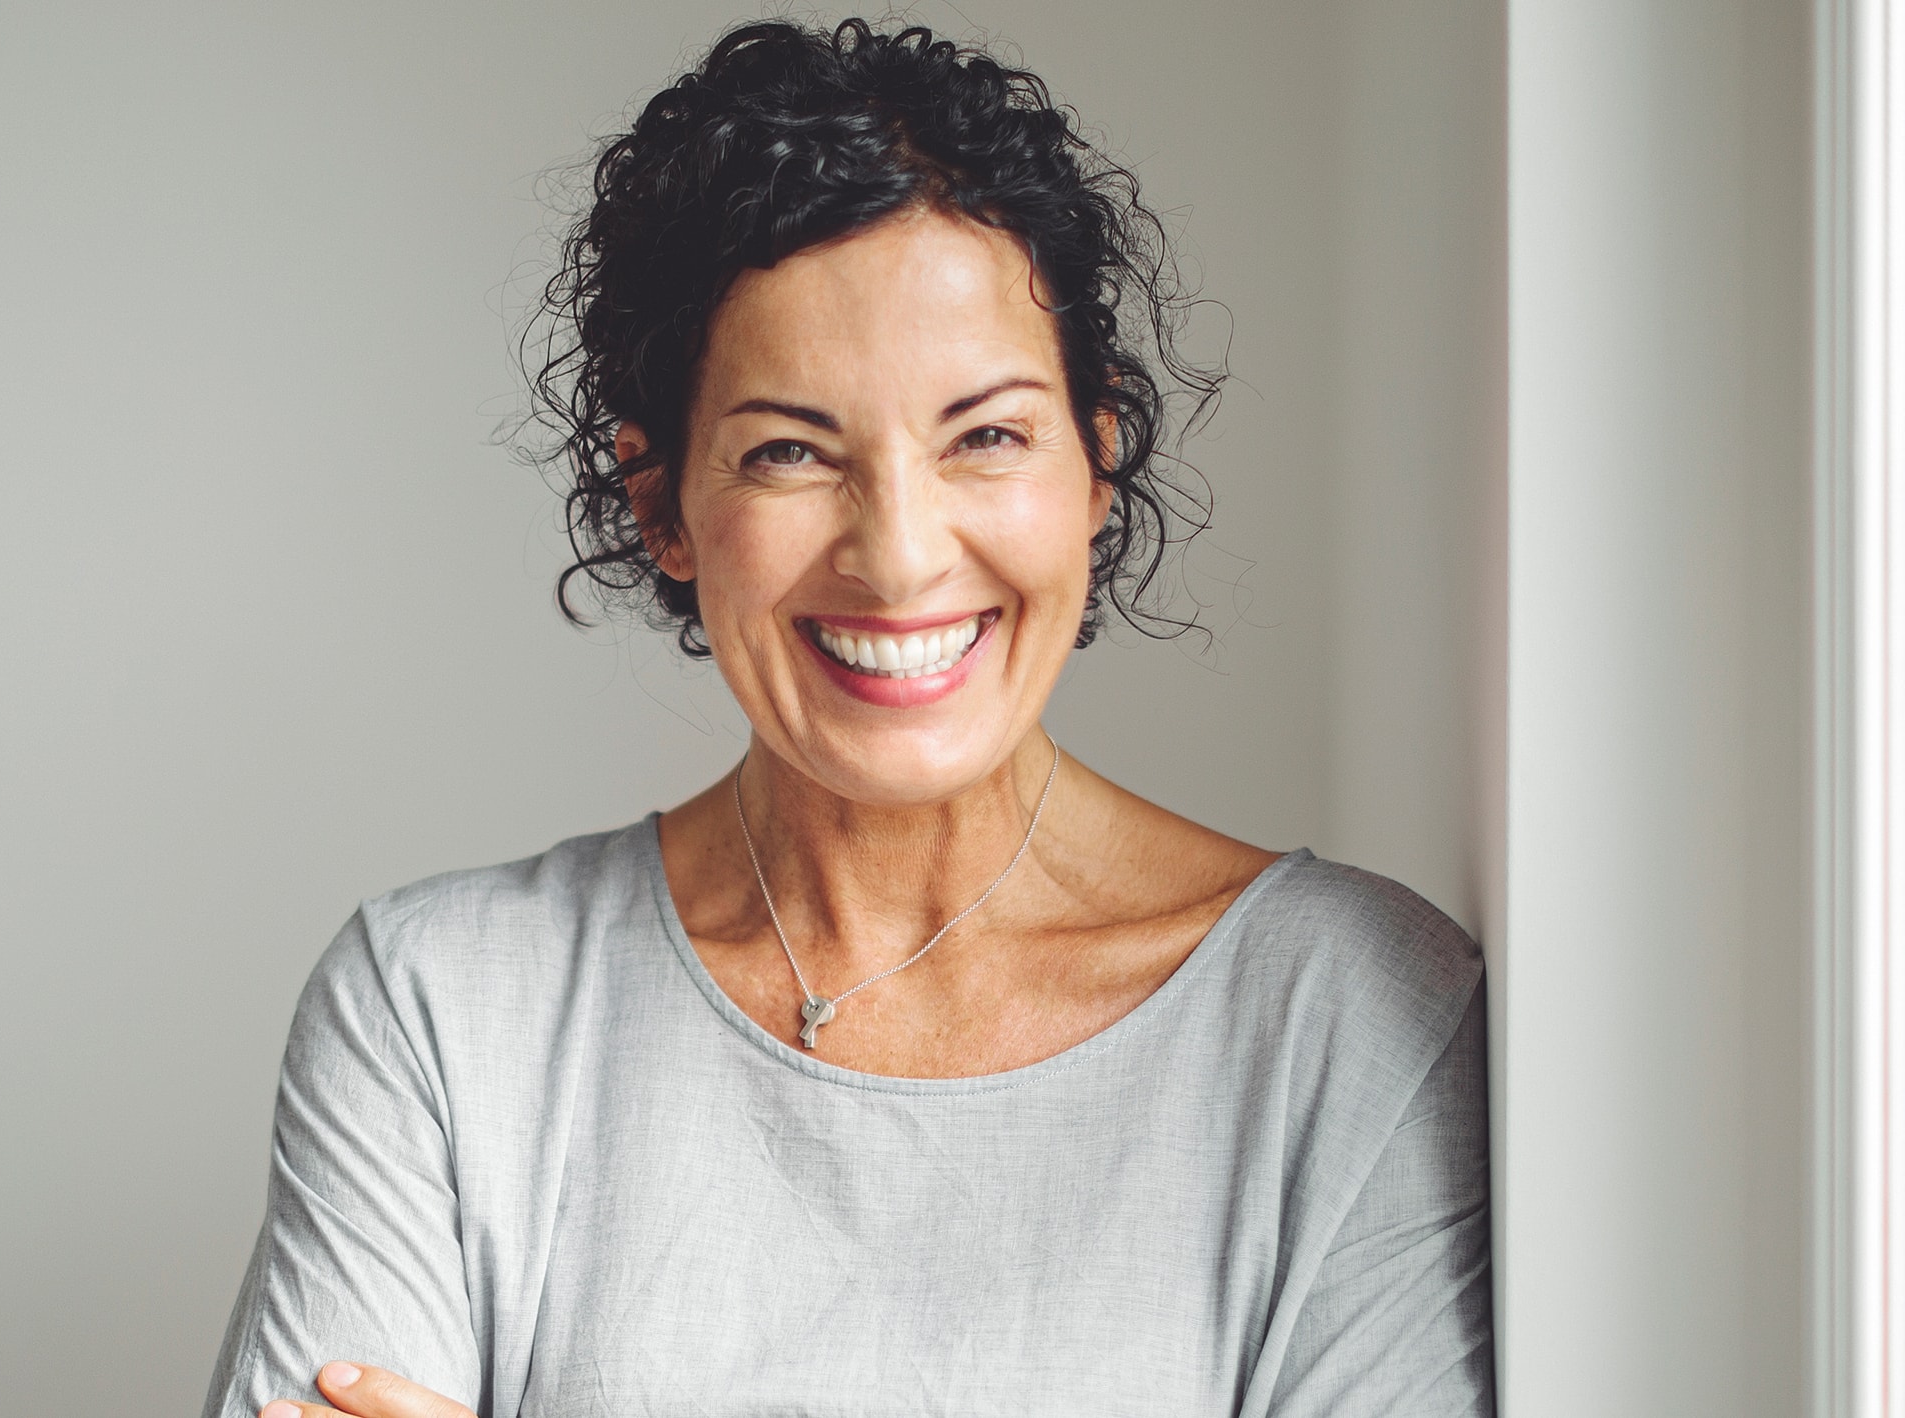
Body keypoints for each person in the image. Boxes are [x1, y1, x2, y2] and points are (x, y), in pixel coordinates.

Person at [205, 18, 1491, 1418]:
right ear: (662, 505)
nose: (899, 554)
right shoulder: (439, 1013)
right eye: (789, 451)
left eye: (985, 434)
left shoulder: (1352, 1020)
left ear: (1096, 461)